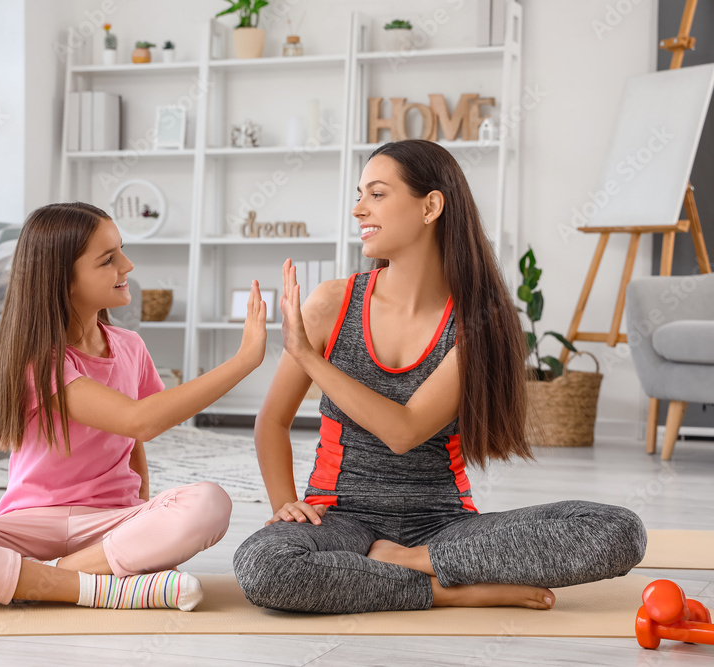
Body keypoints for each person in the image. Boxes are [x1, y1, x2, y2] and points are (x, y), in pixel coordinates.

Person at [233, 140, 647, 614]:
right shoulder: (332, 304)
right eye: (359, 194)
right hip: (340, 517)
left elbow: (404, 431)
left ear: (431, 206)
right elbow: (272, 422)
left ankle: (408, 561)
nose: (358, 208)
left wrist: (308, 357)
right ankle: (443, 590)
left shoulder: (476, 322)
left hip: (443, 526)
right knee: (264, 566)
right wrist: (288, 506)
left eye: (377, 194)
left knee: (619, 531)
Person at [0, 202, 267, 611]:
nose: (128, 265)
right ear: (62, 280)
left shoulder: (130, 347)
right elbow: (140, 422)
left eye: (121, 250)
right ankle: (99, 588)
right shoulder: (40, 359)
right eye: (108, 259)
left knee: (209, 502)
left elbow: (132, 443)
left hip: (111, 526)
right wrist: (243, 360)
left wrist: (142, 517)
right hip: (28, 525)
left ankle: (30, 579)